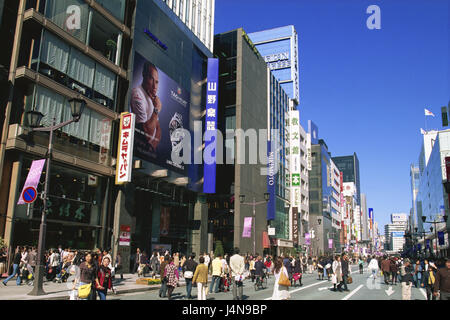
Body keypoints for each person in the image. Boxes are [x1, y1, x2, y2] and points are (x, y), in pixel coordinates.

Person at [130, 61, 162, 151]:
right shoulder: (137, 93)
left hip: (148, 150)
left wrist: (152, 146)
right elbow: (146, 135)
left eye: (156, 82)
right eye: (151, 79)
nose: (154, 86)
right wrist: (156, 110)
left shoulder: (151, 98)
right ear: (144, 75)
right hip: (138, 148)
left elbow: (158, 128)